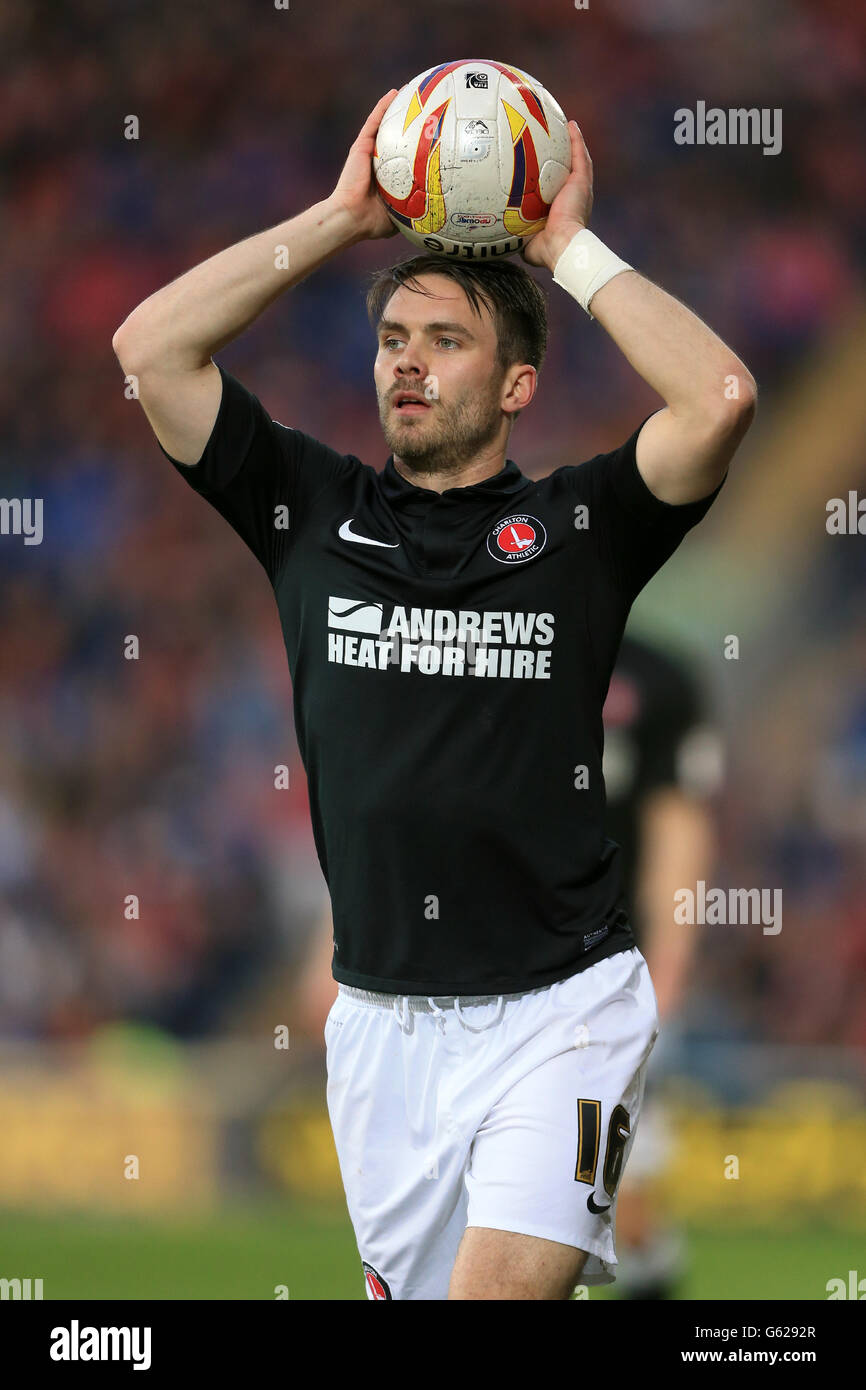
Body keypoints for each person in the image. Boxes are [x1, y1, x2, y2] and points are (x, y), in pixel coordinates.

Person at [112, 90, 756, 1300]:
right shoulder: (308, 511)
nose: (406, 362)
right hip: (380, 1023)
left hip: (560, 1010)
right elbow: (149, 350)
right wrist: (339, 215)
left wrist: (566, 250)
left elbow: (716, 400)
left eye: (444, 340)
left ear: (516, 385)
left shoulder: (581, 530)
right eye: (392, 337)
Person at [601, 634, 721, 1299]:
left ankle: (655, 1275)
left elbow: (678, 821)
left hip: (613, 966)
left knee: (624, 1197)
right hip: (496, 963)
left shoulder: (656, 676)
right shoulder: (491, 642)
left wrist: (670, 956)